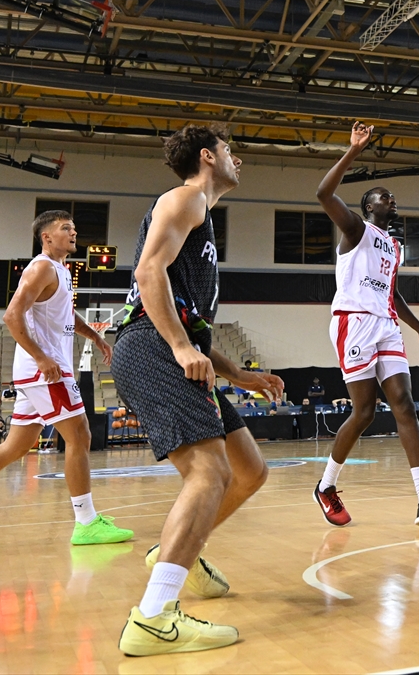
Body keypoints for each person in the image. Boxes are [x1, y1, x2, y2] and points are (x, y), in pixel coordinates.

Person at [110, 124, 285, 656]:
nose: (240, 160)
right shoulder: (187, 198)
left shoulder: (203, 219)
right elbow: (147, 273)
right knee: (210, 472)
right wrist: (182, 349)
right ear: (208, 157)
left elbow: (190, 320)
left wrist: (239, 374)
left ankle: (173, 550)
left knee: (250, 469)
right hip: (150, 345)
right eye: (232, 151)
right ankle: (155, 617)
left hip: (175, 348)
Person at [0, 210, 132, 558]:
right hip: (45, 370)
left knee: (16, 446)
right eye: (65, 228)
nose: (73, 232)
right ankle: (87, 523)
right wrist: (43, 358)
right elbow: (12, 315)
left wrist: (95, 336)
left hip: (39, 370)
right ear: (46, 237)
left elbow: (63, 316)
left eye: (74, 227)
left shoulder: (60, 270)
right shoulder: (41, 267)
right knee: (80, 435)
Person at [312, 121, 419, 532]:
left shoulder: (394, 247)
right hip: (353, 323)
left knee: (405, 404)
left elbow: (392, 294)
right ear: (368, 206)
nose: (391, 201)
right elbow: (323, 194)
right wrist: (354, 150)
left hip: (386, 325)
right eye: (382, 197)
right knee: (363, 412)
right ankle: (326, 486)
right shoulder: (356, 231)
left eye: (392, 198)